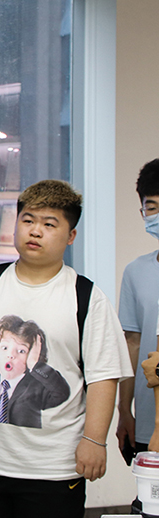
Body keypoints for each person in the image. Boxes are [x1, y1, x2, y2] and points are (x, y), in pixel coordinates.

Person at [0, 179, 132, 518]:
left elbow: (103, 376)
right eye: (27, 220)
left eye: (49, 224)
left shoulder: (86, 298)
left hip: (53, 469)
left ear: (71, 235)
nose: (35, 231)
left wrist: (94, 440)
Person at [117, 158, 159, 456]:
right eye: (152, 207)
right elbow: (131, 344)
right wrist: (124, 410)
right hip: (146, 417)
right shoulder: (136, 271)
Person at [0, 315, 70, 429]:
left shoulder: (37, 386)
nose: (10, 355)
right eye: (5, 348)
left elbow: (61, 393)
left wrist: (35, 364)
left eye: (21, 351)